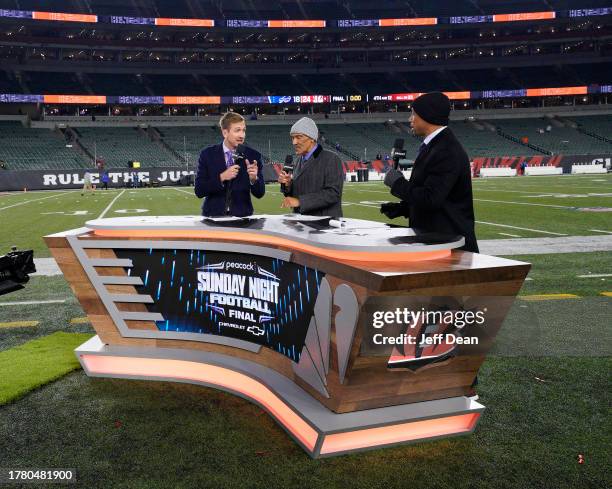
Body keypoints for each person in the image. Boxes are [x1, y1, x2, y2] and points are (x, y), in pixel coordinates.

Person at [380, 92, 479, 253]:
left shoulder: (445, 150)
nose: (410, 119)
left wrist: (397, 183)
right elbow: (435, 196)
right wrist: (404, 208)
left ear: (428, 116)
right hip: (439, 240)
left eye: (414, 114)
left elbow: (431, 198)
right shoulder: (437, 146)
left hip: (449, 245)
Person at [194, 112, 265, 216]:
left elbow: (260, 193)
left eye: (244, 130)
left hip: (243, 219)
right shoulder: (207, 155)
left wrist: (254, 179)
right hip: (213, 218)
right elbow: (199, 190)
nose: (242, 135)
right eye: (237, 130)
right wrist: (222, 177)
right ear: (225, 133)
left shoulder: (253, 156)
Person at [278, 117, 343, 218]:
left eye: (299, 137)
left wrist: (300, 201)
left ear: (312, 138)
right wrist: (288, 185)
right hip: (302, 224)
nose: (294, 142)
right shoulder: (298, 160)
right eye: (292, 138)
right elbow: (300, 191)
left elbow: (333, 194)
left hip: (324, 225)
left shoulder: (331, 159)